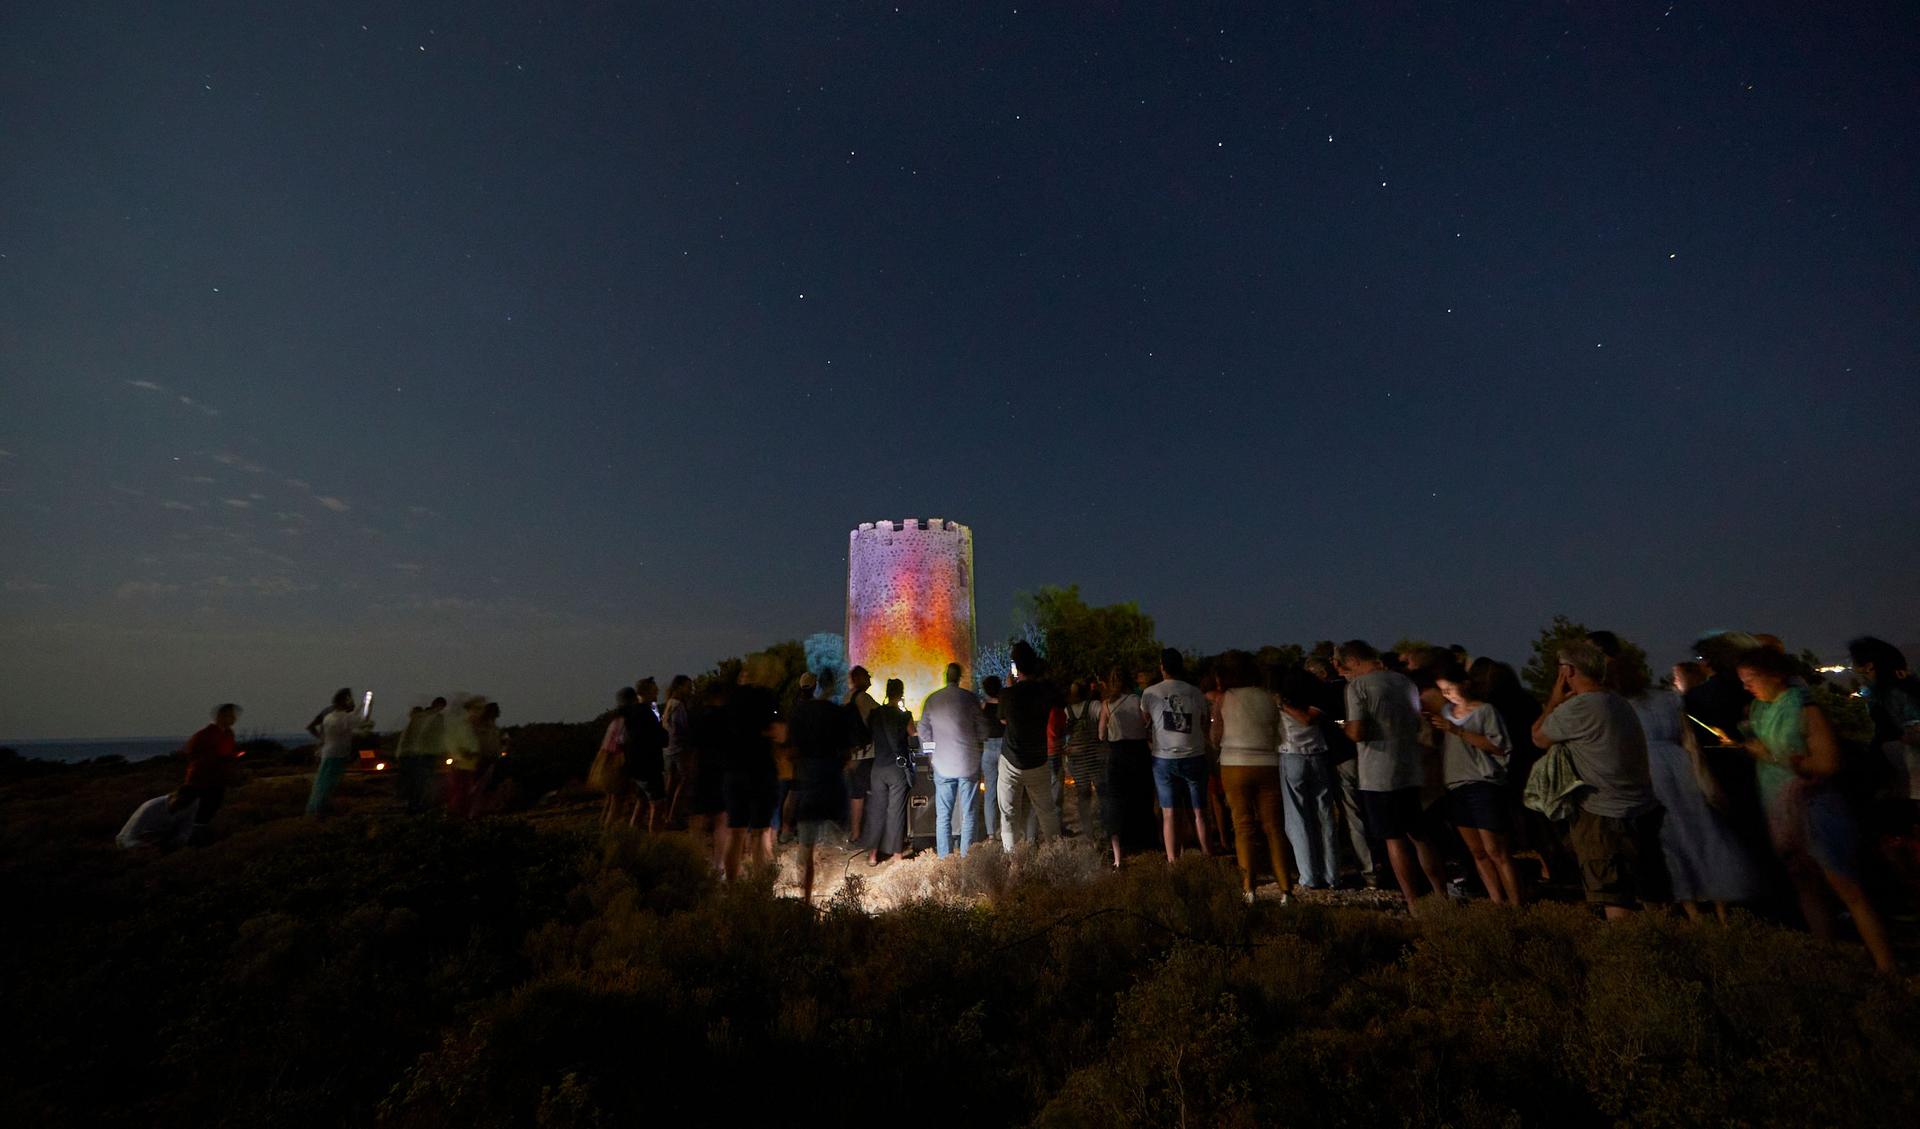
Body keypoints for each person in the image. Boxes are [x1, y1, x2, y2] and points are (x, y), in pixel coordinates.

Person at [1737, 647, 1897, 972]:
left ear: (1775, 675)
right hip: (1781, 811)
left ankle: (1887, 967)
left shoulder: (1805, 710)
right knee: (1806, 888)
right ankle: (1829, 963)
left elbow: (1827, 763)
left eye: (1751, 679)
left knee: (1847, 888)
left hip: (1816, 808)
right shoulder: (1759, 709)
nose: (1746, 686)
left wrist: (1775, 757)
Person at [1615, 656, 1763, 919]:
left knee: (1671, 841)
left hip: (1649, 772)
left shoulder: (1622, 707)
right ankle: (1723, 909)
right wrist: (1702, 776)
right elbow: (1690, 742)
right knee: (1703, 831)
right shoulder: (1668, 698)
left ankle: (1694, 913)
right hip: (1681, 767)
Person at [1531, 641, 1664, 920]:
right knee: (1651, 890)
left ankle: (1628, 956)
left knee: (1613, 893)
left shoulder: (1579, 708)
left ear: (1567, 671)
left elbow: (1538, 736)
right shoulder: (1618, 702)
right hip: (1641, 807)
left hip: (1603, 813)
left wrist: (1554, 699)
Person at [1338, 641, 1446, 908]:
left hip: (1378, 773)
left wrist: (1343, 729)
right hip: (1409, 768)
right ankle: (1441, 894)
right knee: (1420, 836)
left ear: (1352, 661)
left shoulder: (1358, 687)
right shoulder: (1404, 682)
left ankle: (1412, 901)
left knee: (1394, 839)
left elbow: (1358, 732)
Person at [1430, 666, 1522, 904]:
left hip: (1482, 782)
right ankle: (1497, 901)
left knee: (1495, 850)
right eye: (1443, 690)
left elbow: (1499, 746)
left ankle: (1516, 904)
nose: (1448, 694)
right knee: (1477, 852)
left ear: (1465, 684)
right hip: (1455, 784)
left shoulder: (1485, 711)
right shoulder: (1445, 712)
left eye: (1450, 688)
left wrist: (1458, 731)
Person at [1209, 651, 1291, 902]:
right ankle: (1286, 889)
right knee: (1274, 827)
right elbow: (1282, 736)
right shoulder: (1269, 698)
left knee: (1243, 827)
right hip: (1267, 764)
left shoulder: (1225, 699)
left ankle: (1249, 888)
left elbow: (1214, 736)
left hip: (1235, 764)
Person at [1307, 655, 1377, 887]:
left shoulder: (1326, 694)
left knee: (1352, 814)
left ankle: (1368, 871)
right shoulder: (1353, 687)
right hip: (1366, 755)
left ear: (1322, 674)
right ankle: (1382, 860)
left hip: (1341, 757)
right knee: (1369, 809)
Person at [787, 672, 852, 901]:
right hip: (832, 784)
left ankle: (805, 897)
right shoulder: (837, 713)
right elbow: (847, 752)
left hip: (808, 783)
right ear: (832, 686)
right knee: (837, 844)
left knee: (806, 845)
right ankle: (838, 896)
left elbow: (792, 751)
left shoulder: (799, 713)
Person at [1143, 649, 1213, 862]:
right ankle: (1207, 854)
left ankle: (1173, 861)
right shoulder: (1195, 692)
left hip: (1164, 758)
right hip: (1194, 755)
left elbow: (1145, 721)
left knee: (1169, 813)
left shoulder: (1150, 693)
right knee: (1199, 812)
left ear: (1162, 667)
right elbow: (1203, 722)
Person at [723, 655, 785, 879]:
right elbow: (779, 733)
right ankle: (759, 888)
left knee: (735, 832)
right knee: (759, 833)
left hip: (734, 770)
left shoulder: (732, 698)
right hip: (761, 770)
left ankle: (731, 887)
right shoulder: (766, 697)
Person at [998, 641, 1064, 851]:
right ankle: (1056, 855)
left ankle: (1012, 860)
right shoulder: (1044, 692)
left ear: (1016, 667)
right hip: (1038, 761)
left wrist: (1010, 687)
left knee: (1009, 814)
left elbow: (1003, 719)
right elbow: (1060, 698)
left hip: (1011, 760)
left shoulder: (1008, 695)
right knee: (1047, 811)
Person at [1278, 669, 1340, 889]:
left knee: (1298, 819)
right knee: (1325, 816)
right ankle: (1332, 874)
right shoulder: (1318, 699)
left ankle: (1309, 875)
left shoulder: (1282, 703)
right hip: (1318, 755)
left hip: (1291, 754)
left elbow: (1304, 720)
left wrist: (1281, 705)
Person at [1848, 636, 1920, 821]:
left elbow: (1912, 732)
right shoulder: (1907, 685)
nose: (1853, 667)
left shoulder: (1890, 694)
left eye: (1855, 661)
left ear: (1869, 666)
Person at [921, 662, 988, 859]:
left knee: (943, 816)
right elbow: (983, 730)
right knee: (969, 814)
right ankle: (967, 859)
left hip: (942, 764)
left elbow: (924, 733)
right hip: (968, 763)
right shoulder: (970, 699)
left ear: (945, 677)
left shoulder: (932, 700)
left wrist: (931, 755)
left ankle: (945, 859)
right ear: (959, 677)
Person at [1098, 666, 1153, 867]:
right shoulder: (1137, 701)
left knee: (1116, 805)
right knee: (1141, 800)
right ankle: (1144, 847)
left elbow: (1101, 734)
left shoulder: (1107, 705)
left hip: (1118, 755)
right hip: (1139, 753)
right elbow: (1146, 725)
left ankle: (1118, 857)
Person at [863, 678, 915, 866]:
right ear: (901, 693)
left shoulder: (875, 714)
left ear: (887, 692)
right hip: (896, 769)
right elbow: (913, 734)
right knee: (896, 811)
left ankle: (873, 855)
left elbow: (869, 735)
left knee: (877, 810)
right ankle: (897, 854)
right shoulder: (904, 715)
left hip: (878, 769)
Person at [178, 702, 242, 836]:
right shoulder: (205, 735)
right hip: (201, 781)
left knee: (210, 810)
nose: (234, 718)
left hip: (217, 780)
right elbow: (197, 756)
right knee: (198, 813)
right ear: (220, 716)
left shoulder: (228, 734)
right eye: (230, 715)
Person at [305, 688, 369, 817]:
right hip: (337, 754)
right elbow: (362, 720)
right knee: (328, 783)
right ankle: (318, 809)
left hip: (328, 752)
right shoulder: (343, 718)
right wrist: (367, 704)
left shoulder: (329, 716)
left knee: (322, 781)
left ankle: (315, 808)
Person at [1060, 680, 1110, 843]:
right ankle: (1106, 827)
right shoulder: (1094, 706)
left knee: (1083, 794)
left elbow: (1062, 731)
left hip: (1076, 758)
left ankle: (1089, 832)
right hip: (1095, 755)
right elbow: (1106, 717)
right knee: (1102, 792)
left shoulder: (1067, 710)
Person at [625, 678, 668, 831]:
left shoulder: (632, 712)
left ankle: (631, 835)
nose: (657, 692)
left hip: (635, 766)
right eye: (654, 689)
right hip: (649, 766)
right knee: (658, 804)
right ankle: (654, 841)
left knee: (642, 801)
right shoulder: (646, 713)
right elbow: (661, 738)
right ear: (646, 691)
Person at [843, 666, 880, 844]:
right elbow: (879, 718)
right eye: (867, 676)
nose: (870, 678)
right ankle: (864, 833)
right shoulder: (864, 698)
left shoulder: (847, 698)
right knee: (868, 794)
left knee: (855, 794)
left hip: (852, 754)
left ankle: (855, 832)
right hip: (867, 754)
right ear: (859, 678)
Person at [590, 688, 637, 827]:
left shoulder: (615, 721)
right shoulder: (626, 722)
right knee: (617, 800)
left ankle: (603, 825)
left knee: (611, 798)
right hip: (617, 763)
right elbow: (623, 742)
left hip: (606, 761)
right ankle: (609, 830)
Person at [394, 697, 447, 814]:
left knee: (417, 783)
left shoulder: (419, 718)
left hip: (417, 754)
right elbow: (432, 737)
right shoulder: (430, 718)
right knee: (420, 783)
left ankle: (415, 806)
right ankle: (417, 807)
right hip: (423, 755)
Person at [660, 675, 694, 827]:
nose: (690, 689)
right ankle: (674, 815)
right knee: (684, 781)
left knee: (670, 782)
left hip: (667, 748)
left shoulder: (669, 703)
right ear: (679, 686)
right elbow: (683, 728)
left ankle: (665, 815)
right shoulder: (679, 705)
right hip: (679, 748)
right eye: (688, 686)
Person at [117, 791, 198, 850]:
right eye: (178, 803)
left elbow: (187, 826)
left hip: (162, 837)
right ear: (173, 796)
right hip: (141, 840)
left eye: (184, 805)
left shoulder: (191, 805)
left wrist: (181, 839)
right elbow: (125, 839)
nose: (180, 807)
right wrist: (144, 846)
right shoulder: (150, 808)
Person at [979, 675, 1006, 843]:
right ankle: (1005, 828)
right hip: (1004, 749)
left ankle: (990, 834)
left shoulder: (983, 708)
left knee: (990, 793)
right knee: (1005, 790)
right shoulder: (1005, 707)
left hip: (988, 749)